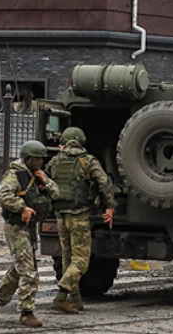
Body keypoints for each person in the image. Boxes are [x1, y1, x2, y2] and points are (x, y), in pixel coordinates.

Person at [0, 140, 59, 328]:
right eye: (38, 159)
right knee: (28, 272)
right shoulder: (15, 175)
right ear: (29, 159)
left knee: (18, 271)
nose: (41, 162)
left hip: (29, 228)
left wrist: (45, 181)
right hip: (16, 227)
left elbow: (57, 193)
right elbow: (2, 196)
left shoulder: (36, 175)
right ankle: (27, 312)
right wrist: (22, 207)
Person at [46, 126, 116, 314]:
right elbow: (104, 183)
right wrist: (109, 207)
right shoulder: (88, 161)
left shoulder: (55, 161)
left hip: (61, 216)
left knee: (68, 259)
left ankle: (76, 300)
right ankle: (61, 296)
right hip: (79, 216)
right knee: (81, 261)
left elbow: (45, 182)